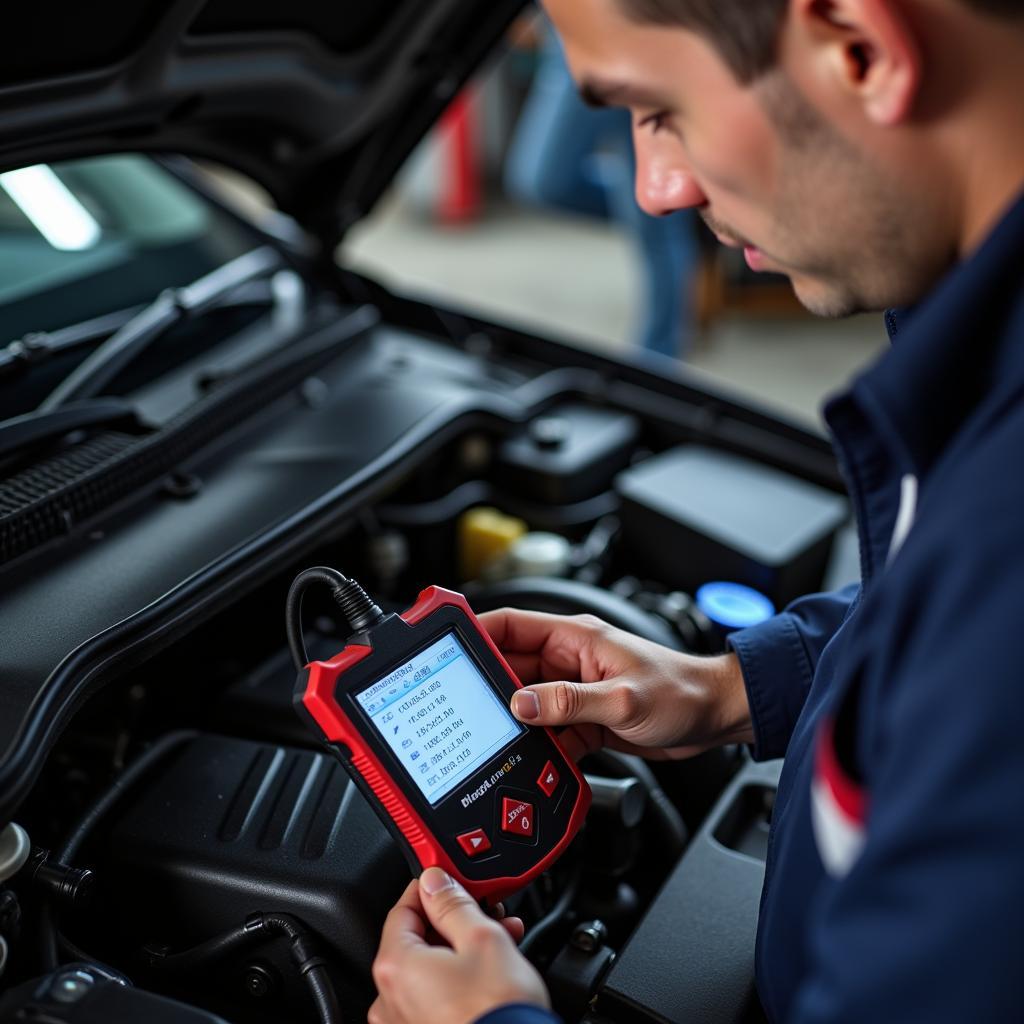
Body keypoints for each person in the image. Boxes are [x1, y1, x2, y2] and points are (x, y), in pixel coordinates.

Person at [367, 0, 1024, 1021]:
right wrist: (742, 684)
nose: (655, 188)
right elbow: (924, 627)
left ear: (860, 48)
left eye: (655, 109)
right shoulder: (974, 371)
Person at [505, 14, 698, 358]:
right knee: (542, 182)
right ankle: (677, 220)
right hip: (571, 35)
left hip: (630, 34)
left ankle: (657, 358)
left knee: (655, 217)